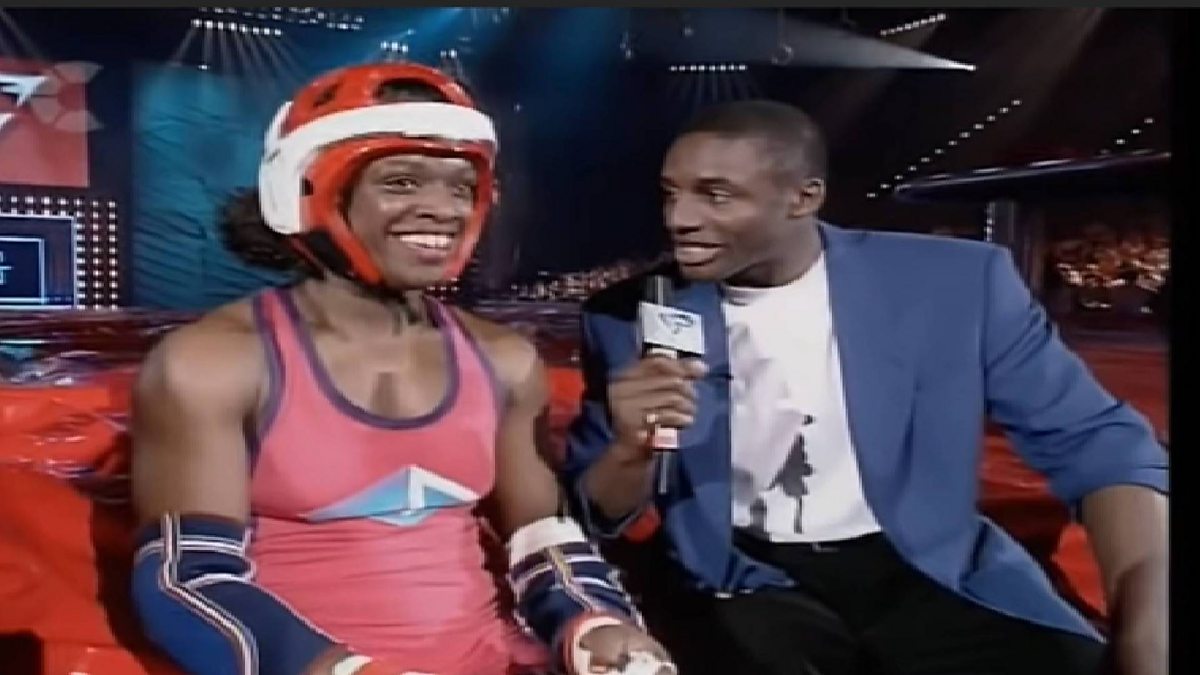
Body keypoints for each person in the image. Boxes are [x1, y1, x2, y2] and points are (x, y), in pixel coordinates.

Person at [562, 100, 1167, 675]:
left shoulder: (954, 284)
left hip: (925, 567)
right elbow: (599, 511)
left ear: (804, 197)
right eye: (671, 193)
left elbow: (1097, 442)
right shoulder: (627, 315)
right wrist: (630, 451)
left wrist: (1147, 612)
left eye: (716, 195)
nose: (680, 219)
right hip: (744, 578)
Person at [129, 62, 674, 675]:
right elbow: (187, 583)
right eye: (401, 182)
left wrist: (595, 628)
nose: (442, 208)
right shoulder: (212, 363)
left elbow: (543, 540)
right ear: (306, 191)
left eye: (461, 187)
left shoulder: (504, 360)